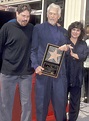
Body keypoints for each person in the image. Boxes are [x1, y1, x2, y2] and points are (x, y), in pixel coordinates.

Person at [31, 3, 70, 121]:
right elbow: (33, 50)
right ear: (47, 14)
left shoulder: (64, 32)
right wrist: (36, 66)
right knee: (41, 106)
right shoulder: (38, 28)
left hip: (59, 75)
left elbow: (68, 51)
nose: (52, 16)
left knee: (60, 106)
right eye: (50, 13)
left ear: (59, 16)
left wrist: (67, 49)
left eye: (55, 14)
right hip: (43, 73)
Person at [0, 4, 34, 121]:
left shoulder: (31, 28)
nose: (25, 19)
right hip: (8, 73)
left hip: (26, 73)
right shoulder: (6, 27)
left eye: (28, 16)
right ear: (17, 14)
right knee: (5, 104)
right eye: (23, 16)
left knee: (27, 105)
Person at [66, 21, 88, 121]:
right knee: (61, 102)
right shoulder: (65, 42)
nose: (75, 32)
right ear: (70, 30)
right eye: (73, 29)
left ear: (81, 32)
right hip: (64, 77)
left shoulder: (83, 44)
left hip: (77, 77)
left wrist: (75, 55)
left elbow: (84, 56)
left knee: (75, 103)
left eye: (78, 30)